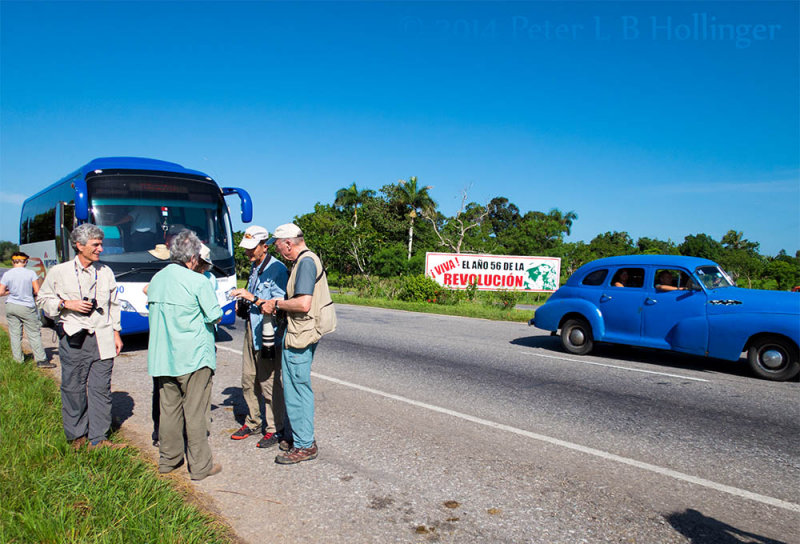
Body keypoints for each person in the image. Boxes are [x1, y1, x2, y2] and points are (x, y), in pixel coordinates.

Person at [37, 224, 125, 451]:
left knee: (101, 389)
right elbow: (43, 300)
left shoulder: (105, 272)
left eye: (101, 244)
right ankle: (77, 437)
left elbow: (114, 304)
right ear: (79, 245)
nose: (101, 249)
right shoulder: (60, 271)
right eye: (96, 245)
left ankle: (99, 438)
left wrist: (116, 332)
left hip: (103, 337)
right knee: (73, 387)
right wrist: (67, 304)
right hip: (74, 337)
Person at [147, 230, 223, 480]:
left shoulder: (157, 278)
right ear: (192, 257)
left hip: (163, 357)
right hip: (193, 357)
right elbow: (215, 315)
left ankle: (168, 460)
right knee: (195, 412)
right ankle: (200, 466)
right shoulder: (198, 281)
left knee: (168, 410)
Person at [261, 223, 336, 464]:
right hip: (304, 331)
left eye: (280, 246)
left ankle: (304, 444)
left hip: (300, 334)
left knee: (296, 387)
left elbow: (303, 304)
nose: (279, 251)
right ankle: (300, 437)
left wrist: (276, 304)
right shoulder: (306, 259)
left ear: (289, 243)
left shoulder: (304, 262)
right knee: (296, 384)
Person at [228, 226, 289, 449]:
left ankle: (275, 428)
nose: (248, 253)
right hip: (250, 329)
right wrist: (242, 301)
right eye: (246, 249)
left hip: (267, 333)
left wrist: (251, 298)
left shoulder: (278, 270)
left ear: (265, 246)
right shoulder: (255, 267)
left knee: (268, 383)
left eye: (252, 249)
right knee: (248, 379)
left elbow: (278, 306)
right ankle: (253, 421)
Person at [0, 252, 53, 368]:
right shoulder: (31, 273)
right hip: (26, 307)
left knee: (15, 334)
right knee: (33, 333)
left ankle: (18, 360)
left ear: (12, 262)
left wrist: (11, 292)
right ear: (25, 262)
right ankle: (41, 360)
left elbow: (1, 292)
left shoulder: (7, 274)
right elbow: (37, 291)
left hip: (10, 305)